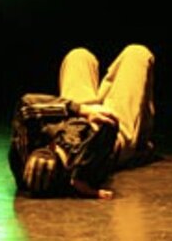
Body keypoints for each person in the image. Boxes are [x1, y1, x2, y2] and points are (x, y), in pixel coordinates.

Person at [8, 44, 156, 199]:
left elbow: (25, 104)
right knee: (137, 54)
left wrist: (81, 109)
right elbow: (109, 126)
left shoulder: (23, 160)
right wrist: (83, 182)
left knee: (78, 56)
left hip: (77, 117)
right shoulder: (83, 165)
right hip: (113, 135)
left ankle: (89, 106)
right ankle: (140, 138)